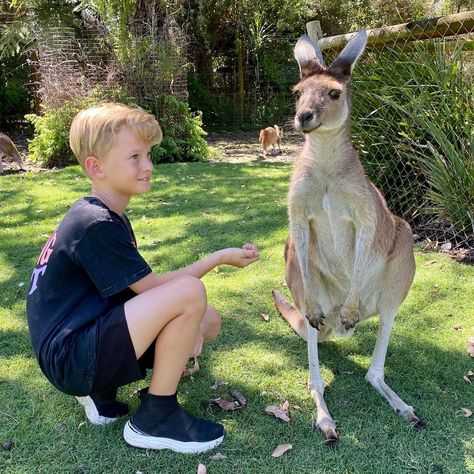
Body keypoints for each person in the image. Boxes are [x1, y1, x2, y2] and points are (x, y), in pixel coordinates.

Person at [26, 103, 260, 454]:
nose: (148, 166)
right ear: (96, 166)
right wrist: (213, 263)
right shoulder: (96, 224)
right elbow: (161, 291)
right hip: (71, 358)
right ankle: (155, 418)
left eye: (148, 154)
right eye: (134, 156)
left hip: (76, 344)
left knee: (207, 318)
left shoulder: (100, 214)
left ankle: (100, 392)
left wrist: (218, 261)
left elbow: (144, 289)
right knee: (190, 296)